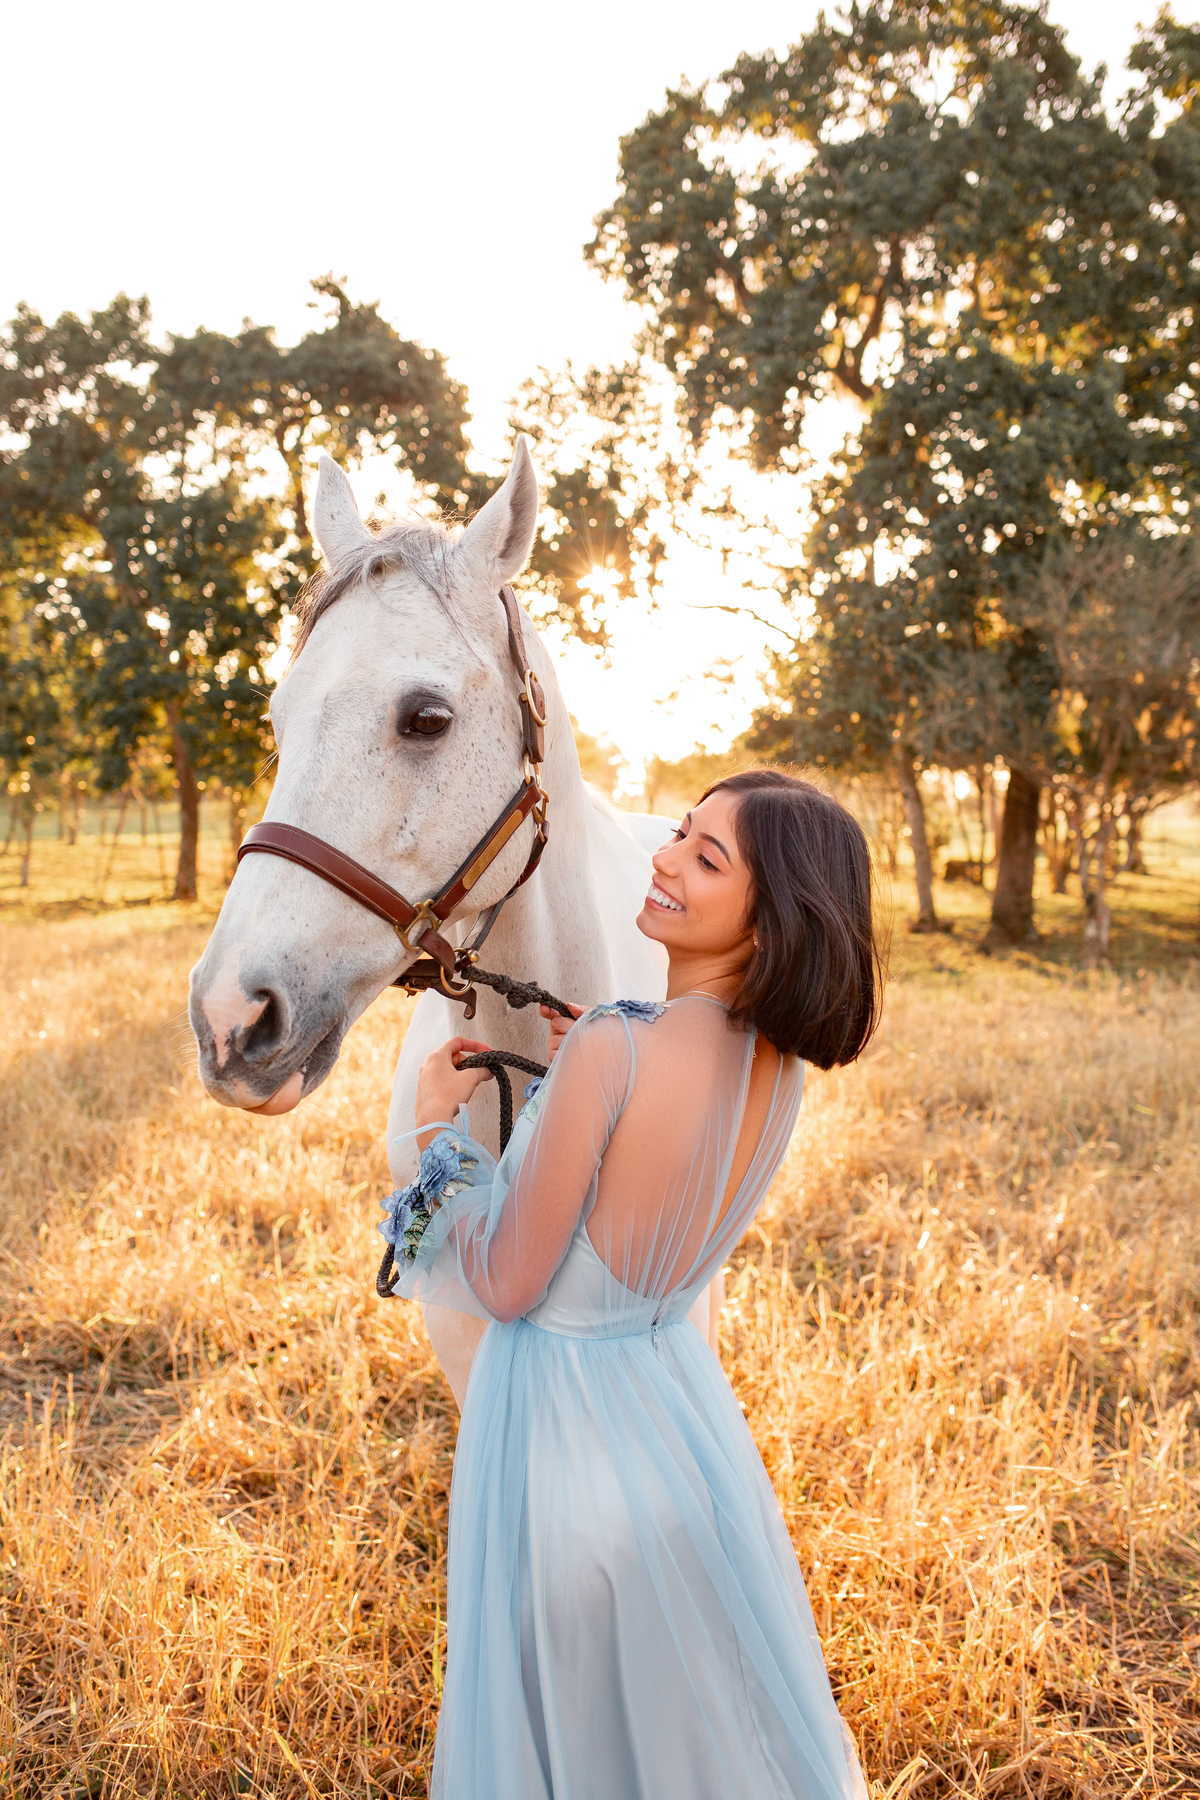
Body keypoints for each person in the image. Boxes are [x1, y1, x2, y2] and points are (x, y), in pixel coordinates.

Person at [381, 768, 883, 1799]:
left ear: (773, 914)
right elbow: (657, 1196)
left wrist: (436, 1138)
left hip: (560, 1425)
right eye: (679, 835)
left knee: (560, 1717)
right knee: (669, 1717)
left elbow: (510, 1281)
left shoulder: (616, 1045)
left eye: (707, 858)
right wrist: (594, 1062)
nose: (661, 858)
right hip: (670, 1411)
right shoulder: (773, 1063)